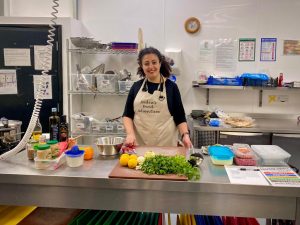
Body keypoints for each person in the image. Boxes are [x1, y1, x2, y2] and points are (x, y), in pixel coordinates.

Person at [122, 47, 192, 148]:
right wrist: (130, 134)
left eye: (154, 62)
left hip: (166, 147)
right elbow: (127, 115)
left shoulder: (171, 87)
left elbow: (179, 116)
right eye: (146, 63)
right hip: (140, 147)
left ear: (160, 63)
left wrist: (185, 135)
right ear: (141, 66)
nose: (151, 66)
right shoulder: (136, 87)